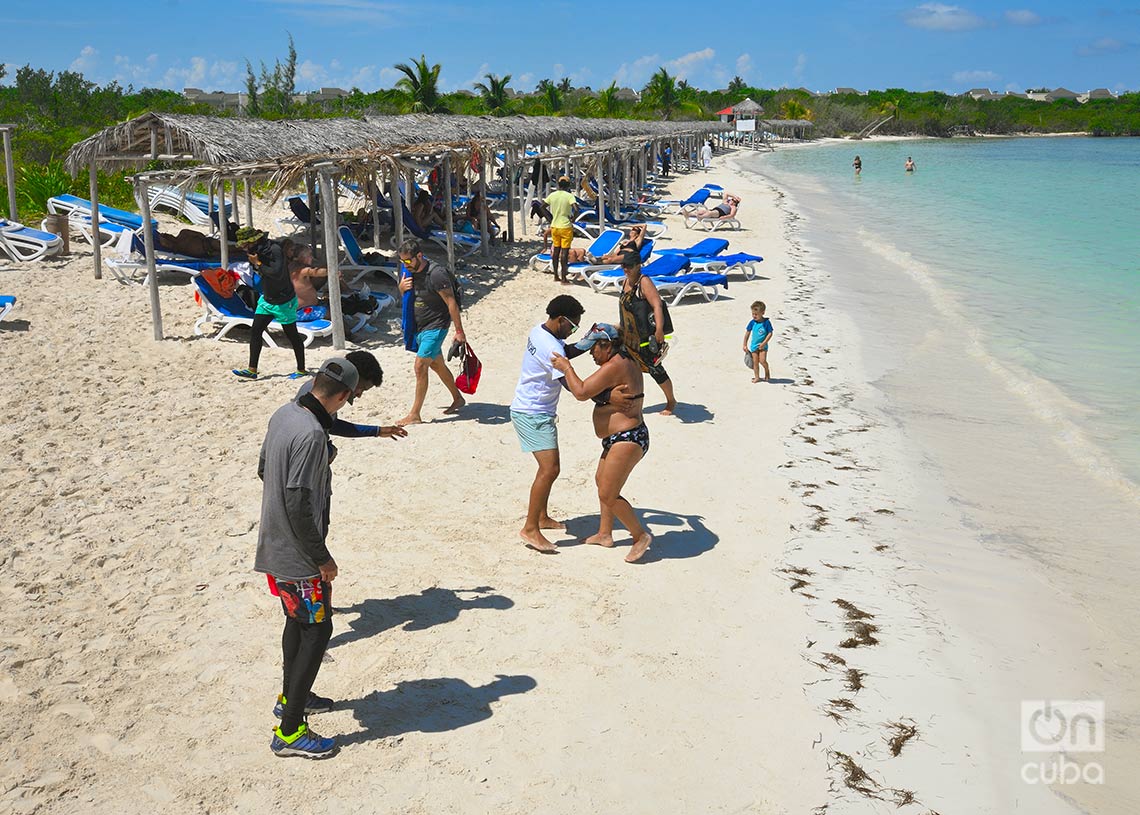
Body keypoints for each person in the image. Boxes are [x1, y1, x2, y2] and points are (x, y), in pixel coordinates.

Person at [255, 357, 359, 758]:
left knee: (297, 623)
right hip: (298, 553)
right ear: (345, 396)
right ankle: (291, 731)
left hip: (274, 541)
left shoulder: (284, 414)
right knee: (318, 630)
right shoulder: (314, 435)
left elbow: (266, 468)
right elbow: (299, 502)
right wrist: (322, 558)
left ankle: (290, 697)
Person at [551, 323, 653, 563]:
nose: (591, 355)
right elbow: (597, 391)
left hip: (628, 438)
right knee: (602, 482)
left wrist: (566, 367)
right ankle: (605, 534)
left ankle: (640, 536)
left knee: (609, 492)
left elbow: (581, 391)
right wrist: (607, 397)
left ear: (605, 346)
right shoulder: (622, 361)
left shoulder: (615, 366)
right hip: (621, 437)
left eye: (593, 350)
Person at [510, 295, 587, 553]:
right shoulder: (551, 348)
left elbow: (563, 353)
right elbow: (571, 385)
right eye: (572, 326)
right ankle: (530, 528)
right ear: (560, 320)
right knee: (550, 469)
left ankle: (541, 517)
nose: (573, 330)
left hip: (529, 408)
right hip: (534, 414)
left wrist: (586, 344)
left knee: (548, 468)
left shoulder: (539, 331)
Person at [396, 238, 467, 425]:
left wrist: (459, 331)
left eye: (409, 261)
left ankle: (415, 414)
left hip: (436, 326)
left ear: (419, 255)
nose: (406, 265)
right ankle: (458, 399)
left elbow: (451, 303)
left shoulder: (437, 274)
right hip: (419, 327)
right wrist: (401, 288)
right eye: (403, 262)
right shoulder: (408, 272)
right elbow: (408, 297)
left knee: (420, 366)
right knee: (437, 365)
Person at [232, 227, 308, 381]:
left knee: (292, 335)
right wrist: (256, 262)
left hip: (283, 302)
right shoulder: (257, 252)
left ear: (253, 240)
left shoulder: (274, 250)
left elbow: (276, 274)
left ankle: (301, 370)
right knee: (255, 331)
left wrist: (258, 263)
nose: (244, 248)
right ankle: (252, 370)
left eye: (245, 244)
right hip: (267, 300)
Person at [296, 351, 408, 442]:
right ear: (353, 377)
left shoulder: (326, 390)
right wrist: (329, 452)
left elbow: (331, 425)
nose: (359, 395)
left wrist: (377, 431)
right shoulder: (314, 397)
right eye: (362, 388)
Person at [616, 251, 677, 415]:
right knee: (624, 367)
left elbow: (657, 305)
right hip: (628, 337)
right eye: (623, 266)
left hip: (644, 338)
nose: (626, 269)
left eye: (629, 266)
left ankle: (671, 401)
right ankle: (629, 400)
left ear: (638, 266)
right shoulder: (625, 282)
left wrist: (659, 329)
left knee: (656, 370)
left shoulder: (644, 282)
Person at [544, 176, 577, 285]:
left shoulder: (552, 195)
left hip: (554, 226)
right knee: (564, 252)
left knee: (556, 251)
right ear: (568, 186)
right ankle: (564, 278)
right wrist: (573, 220)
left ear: (558, 185)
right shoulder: (569, 196)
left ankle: (555, 276)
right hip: (565, 226)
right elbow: (576, 209)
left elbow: (542, 207)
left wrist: (550, 218)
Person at [743, 300, 774, 383]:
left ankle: (767, 371)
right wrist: (745, 344)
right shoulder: (752, 323)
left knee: (762, 360)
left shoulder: (766, 323)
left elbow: (770, 333)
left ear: (762, 313)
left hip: (763, 346)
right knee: (755, 362)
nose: (754, 316)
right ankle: (757, 377)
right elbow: (747, 334)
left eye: (756, 314)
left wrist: (764, 343)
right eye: (753, 314)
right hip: (754, 346)